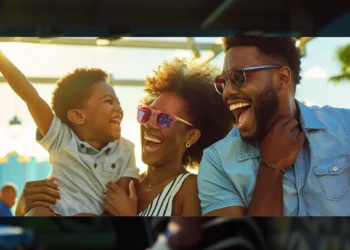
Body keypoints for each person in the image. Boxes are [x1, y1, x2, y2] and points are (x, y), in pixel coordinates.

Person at [15, 57, 233, 220]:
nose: (149, 124)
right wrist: (23, 208)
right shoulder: (119, 179)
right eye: (147, 114)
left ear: (192, 135)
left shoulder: (190, 189)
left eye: (164, 119)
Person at [198, 37, 350, 216]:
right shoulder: (217, 162)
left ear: (282, 78)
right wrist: (270, 168)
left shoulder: (345, 127)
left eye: (239, 76)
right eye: (222, 82)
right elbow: (240, 239)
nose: (227, 91)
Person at [0, 50, 139, 216]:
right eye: (109, 101)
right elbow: (32, 98)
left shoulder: (125, 150)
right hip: (55, 215)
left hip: (94, 225)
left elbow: (121, 202)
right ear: (78, 116)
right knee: (38, 212)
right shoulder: (60, 138)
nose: (119, 108)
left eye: (118, 102)